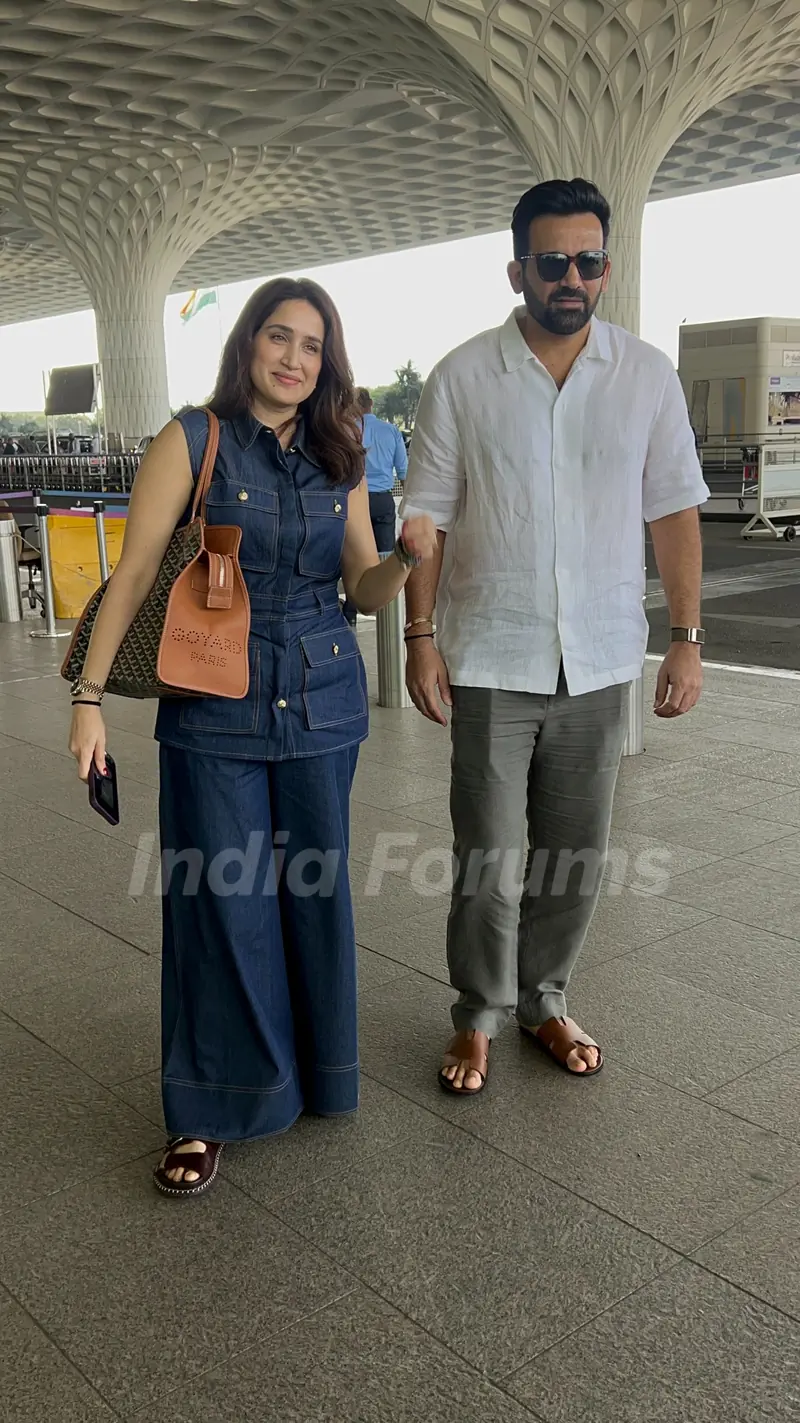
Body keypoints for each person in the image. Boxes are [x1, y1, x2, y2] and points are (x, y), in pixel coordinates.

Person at [68, 276, 436, 1194]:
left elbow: (359, 589)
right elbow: (137, 568)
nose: (295, 359)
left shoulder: (341, 453)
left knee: (311, 896)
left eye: (312, 346)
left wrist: (407, 558)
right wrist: (89, 697)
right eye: (279, 338)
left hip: (322, 704)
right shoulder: (192, 437)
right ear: (247, 345)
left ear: (327, 362)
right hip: (213, 704)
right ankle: (210, 1107)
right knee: (219, 903)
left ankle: (313, 1078)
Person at [401, 178, 710, 1096]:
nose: (571, 276)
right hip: (491, 655)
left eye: (589, 260)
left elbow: (674, 510)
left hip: (601, 655)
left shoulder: (646, 374)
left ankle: (543, 998)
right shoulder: (465, 375)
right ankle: (477, 1014)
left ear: (606, 270)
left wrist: (687, 636)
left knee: (576, 855)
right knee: (489, 861)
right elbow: (429, 515)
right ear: (518, 269)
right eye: (552, 260)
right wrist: (419, 634)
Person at [341, 387, 408, 626]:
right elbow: (403, 471)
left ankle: (349, 612)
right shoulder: (391, 431)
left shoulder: (345, 431)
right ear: (371, 405)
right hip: (382, 499)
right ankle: (388, 613)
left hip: (351, 498)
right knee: (386, 556)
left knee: (351, 558)